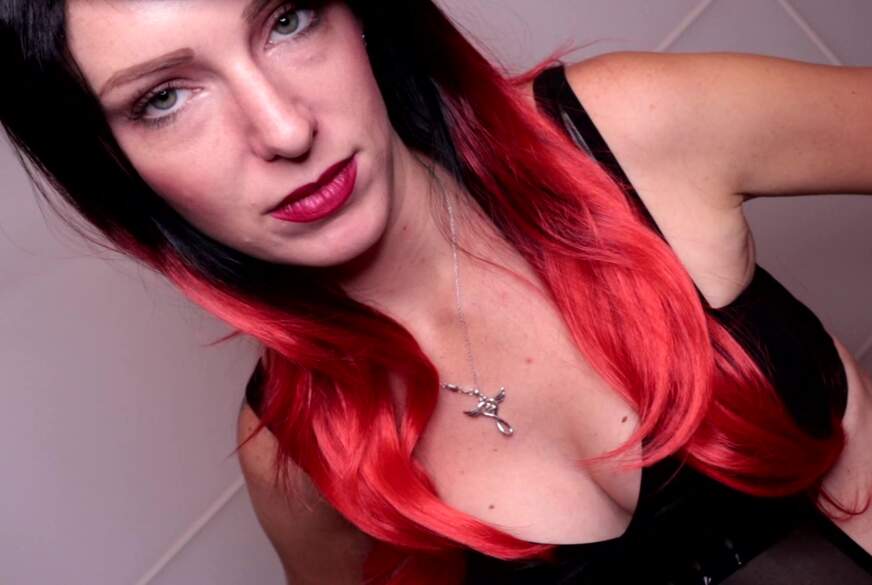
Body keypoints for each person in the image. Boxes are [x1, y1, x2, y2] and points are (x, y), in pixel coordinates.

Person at [2, 1, 871, 583]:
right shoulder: (300, 454)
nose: (285, 127)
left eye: (288, 17)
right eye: (164, 98)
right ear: (113, 169)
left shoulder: (626, 132)